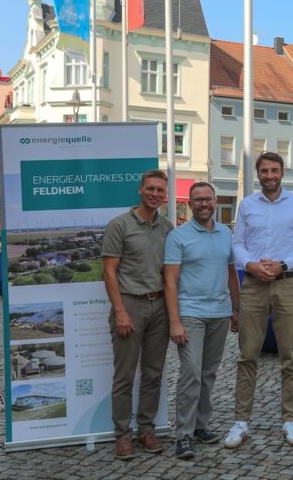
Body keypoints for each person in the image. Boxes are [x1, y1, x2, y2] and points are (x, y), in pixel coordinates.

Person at [225, 152, 293, 448]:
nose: (269, 175)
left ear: (282, 172)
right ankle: (241, 421)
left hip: (287, 284)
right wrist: (250, 264)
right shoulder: (247, 204)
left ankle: (290, 420)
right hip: (253, 284)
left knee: (289, 356)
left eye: (274, 170)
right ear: (258, 173)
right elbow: (237, 243)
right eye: (264, 171)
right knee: (247, 355)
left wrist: (283, 264)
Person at [164, 182, 241, 460]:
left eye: (208, 199)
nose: (204, 204)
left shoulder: (225, 233)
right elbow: (170, 282)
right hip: (190, 314)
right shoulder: (178, 236)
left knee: (208, 374)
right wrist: (175, 321)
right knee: (190, 373)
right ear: (190, 204)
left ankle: (201, 426)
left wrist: (236, 309)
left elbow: (231, 273)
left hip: (219, 313)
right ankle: (183, 436)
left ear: (215, 201)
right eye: (198, 200)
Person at [101, 169, 175, 460]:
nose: (155, 194)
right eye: (151, 189)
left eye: (160, 191)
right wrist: (120, 311)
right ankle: (122, 435)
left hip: (160, 307)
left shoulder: (168, 228)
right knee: (124, 376)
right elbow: (109, 272)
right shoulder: (119, 225)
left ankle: (146, 429)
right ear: (140, 189)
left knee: (153, 374)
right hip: (129, 305)